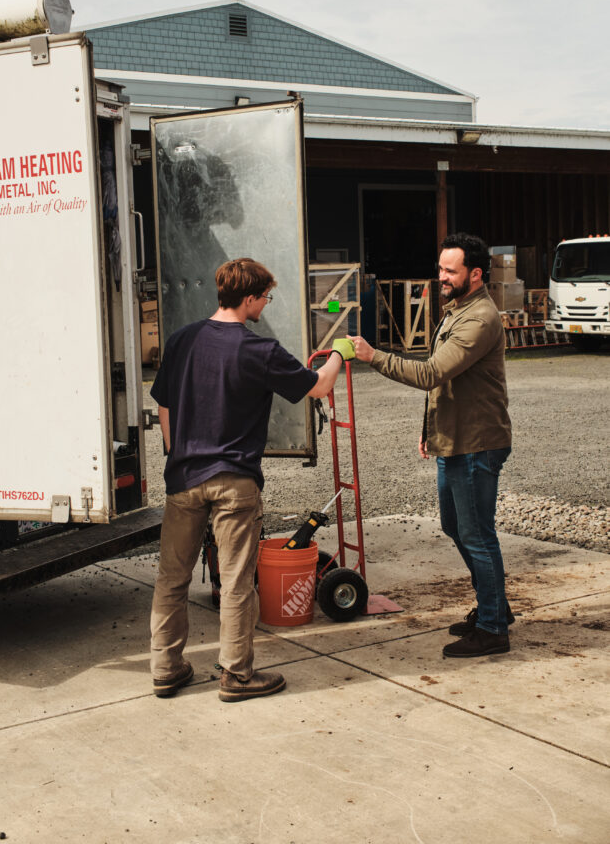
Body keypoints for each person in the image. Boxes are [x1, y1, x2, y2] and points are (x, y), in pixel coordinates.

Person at [150, 257, 351, 701]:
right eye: (265, 297)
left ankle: (166, 667)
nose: (266, 304)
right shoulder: (260, 349)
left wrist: (175, 452)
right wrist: (339, 353)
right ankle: (237, 676)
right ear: (248, 298)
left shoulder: (182, 341)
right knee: (237, 581)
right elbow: (317, 387)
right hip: (235, 482)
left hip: (184, 477)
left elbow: (163, 404)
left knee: (171, 578)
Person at [348, 233, 513, 658]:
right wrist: (430, 427)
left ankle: (494, 628)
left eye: (450, 271)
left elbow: (431, 374)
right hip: (453, 440)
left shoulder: (479, 319)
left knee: (477, 535)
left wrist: (373, 356)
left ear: (475, 274)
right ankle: (496, 607)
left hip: (476, 445)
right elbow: (449, 385)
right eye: (440, 268)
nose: (440, 276)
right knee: (457, 528)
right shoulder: (456, 310)